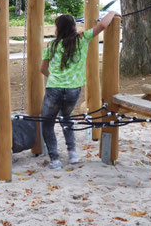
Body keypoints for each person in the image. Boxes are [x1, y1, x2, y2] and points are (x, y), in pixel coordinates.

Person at [40, 11, 118, 169]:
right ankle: (73, 153)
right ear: (73, 27)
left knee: (47, 123)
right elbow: (102, 25)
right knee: (66, 117)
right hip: (73, 90)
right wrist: (112, 12)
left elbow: (42, 68)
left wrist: (54, 78)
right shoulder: (82, 39)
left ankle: (55, 159)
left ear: (59, 29)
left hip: (54, 88)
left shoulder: (52, 44)